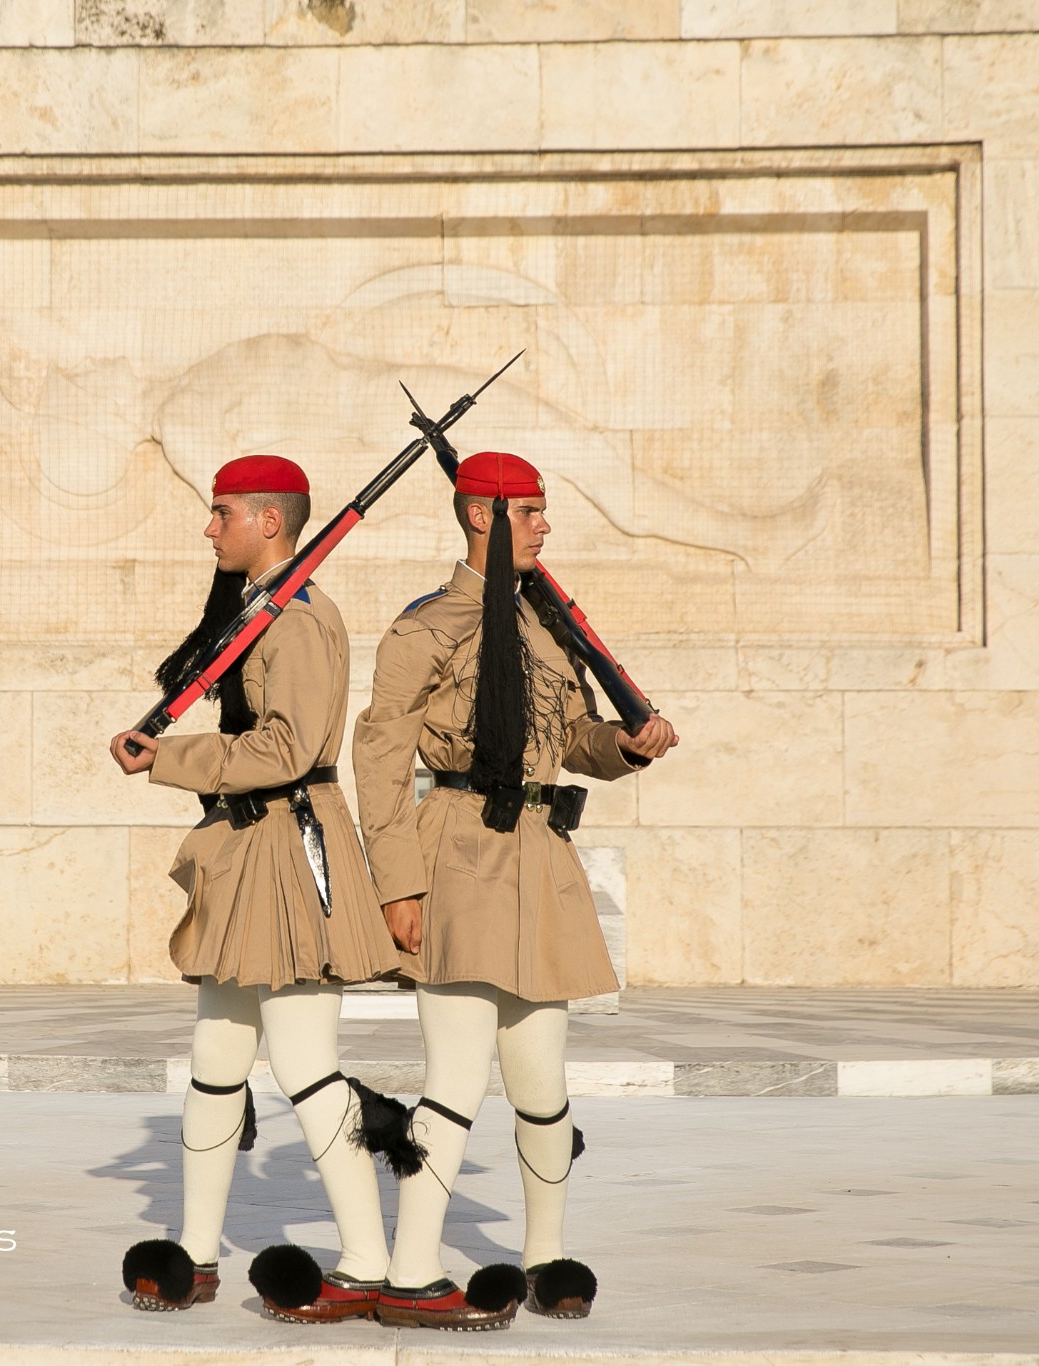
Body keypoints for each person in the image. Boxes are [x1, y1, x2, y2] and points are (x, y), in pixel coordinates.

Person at [353, 450, 678, 1330]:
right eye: (530, 511)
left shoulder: (543, 623)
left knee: (541, 1078)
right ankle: (413, 1272)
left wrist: (625, 746)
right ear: (480, 518)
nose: (544, 526)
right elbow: (379, 761)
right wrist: (396, 885)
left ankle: (546, 1256)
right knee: (453, 1079)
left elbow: (571, 735)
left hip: (542, 855)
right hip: (458, 853)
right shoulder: (425, 628)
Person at [108, 454, 408, 1324]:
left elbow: (288, 749)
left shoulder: (301, 621)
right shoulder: (258, 611)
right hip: (246, 852)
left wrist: (167, 757)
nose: (211, 528)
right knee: (216, 1066)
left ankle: (366, 1259)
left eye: (223, 512)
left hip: (288, 851)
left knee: (308, 1069)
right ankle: (197, 1256)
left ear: (271, 522)